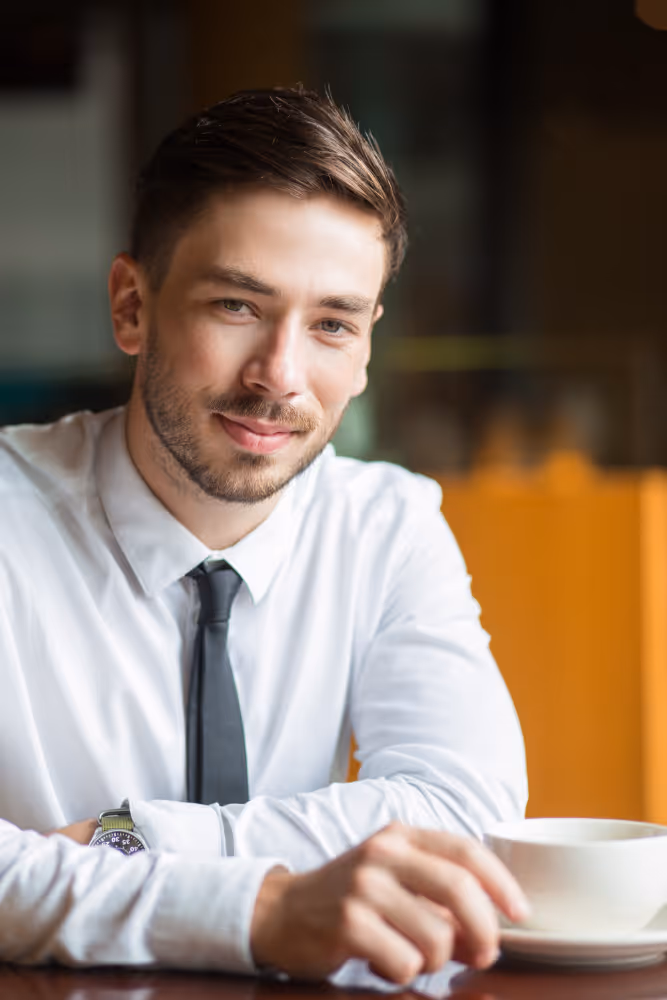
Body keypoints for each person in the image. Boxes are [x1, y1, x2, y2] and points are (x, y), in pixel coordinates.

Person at [0, 87, 528, 983]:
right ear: (131, 305)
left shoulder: (388, 526)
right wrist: (260, 908)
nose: (281, 376)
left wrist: (127, 838)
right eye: (236, 306)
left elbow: (462, 808)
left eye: (331, 323)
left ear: (364, 349)